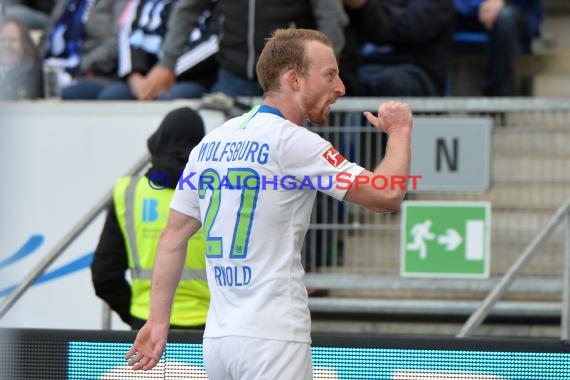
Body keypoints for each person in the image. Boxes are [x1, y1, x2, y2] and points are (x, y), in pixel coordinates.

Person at [125, 28, 412, 378]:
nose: (341, 88)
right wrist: (399, 133)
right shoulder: (294, 141)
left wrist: (157, 322)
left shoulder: (211, 144)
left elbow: (173, 238)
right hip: (272, 337)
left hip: (218, 341)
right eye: (330, 75)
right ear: (294, 79)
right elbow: (386, 194)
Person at [90, 107, 210, 330]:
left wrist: (136, 317)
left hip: (147, 329)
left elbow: (104, 274)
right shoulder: (219, 192)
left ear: (158, 140)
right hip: (208, 328)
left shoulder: (129, 191)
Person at [127, 0, 348, 99]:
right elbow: (187, 10)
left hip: (292, 82)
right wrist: (168, 63)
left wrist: (325, 72)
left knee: (294, 166)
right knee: (226, 164)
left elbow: (330, 17)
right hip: (234, 77)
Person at [97, 0, 219, 100]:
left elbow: (216, 42)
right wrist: (134, 74)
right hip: (146, 71)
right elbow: (128, 31)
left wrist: (167, 70)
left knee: (168, 97)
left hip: (192, 74)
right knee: (113, 96)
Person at [341, 0, 455, 97]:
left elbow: (408, 29)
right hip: (365, 65)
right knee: (334, 78)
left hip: (416, 70)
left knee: (390, 81)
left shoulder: (438, 3)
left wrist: (364, 5)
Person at [39, 0, 127, 99]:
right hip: (54, 69)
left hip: (96, 74)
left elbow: (116, 44)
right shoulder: (66, 2)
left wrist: (79, 66)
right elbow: (47, 37)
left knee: (71, 92)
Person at [454, 0, 542, 96]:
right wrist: (480, 4)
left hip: (516, 12)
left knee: (505, 17)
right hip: (465, 13)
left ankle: (496, 98)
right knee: (439, 12)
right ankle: (436, 102)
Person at [0, 16, 43, 99]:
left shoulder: (34, 73)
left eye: (12, 40)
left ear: (23, 44)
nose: (7, 45)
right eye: (2, 40)